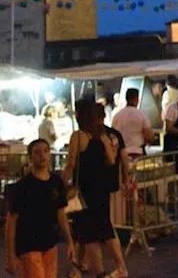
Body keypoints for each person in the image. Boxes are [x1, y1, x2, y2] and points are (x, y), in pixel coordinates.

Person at [62, 99, 129, 278]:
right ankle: (119, 266)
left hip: (84, 189)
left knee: (88, 231)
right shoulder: (103, 136)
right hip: (102, 188)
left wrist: (62, 185)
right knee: (106, 227)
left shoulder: (78, 136)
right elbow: (111, 160)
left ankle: (98, 271)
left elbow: (71, 164)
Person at [5, 138, 74, 278]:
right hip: (28, 244)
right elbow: (11, 221)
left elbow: (61, 213)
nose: (42, 156)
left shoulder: (56, 182)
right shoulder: (22, 187)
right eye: (37, 152)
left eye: (46, 151)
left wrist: (69, 241)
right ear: (30, 158)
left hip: (50, 242)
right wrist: (10, 254)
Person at [111, 88, 155, 157]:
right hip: (137, 152)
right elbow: (150, 136)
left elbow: (112, 134)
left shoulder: (117, 116)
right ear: (136, 99)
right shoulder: (141, 115)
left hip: (121, 153)